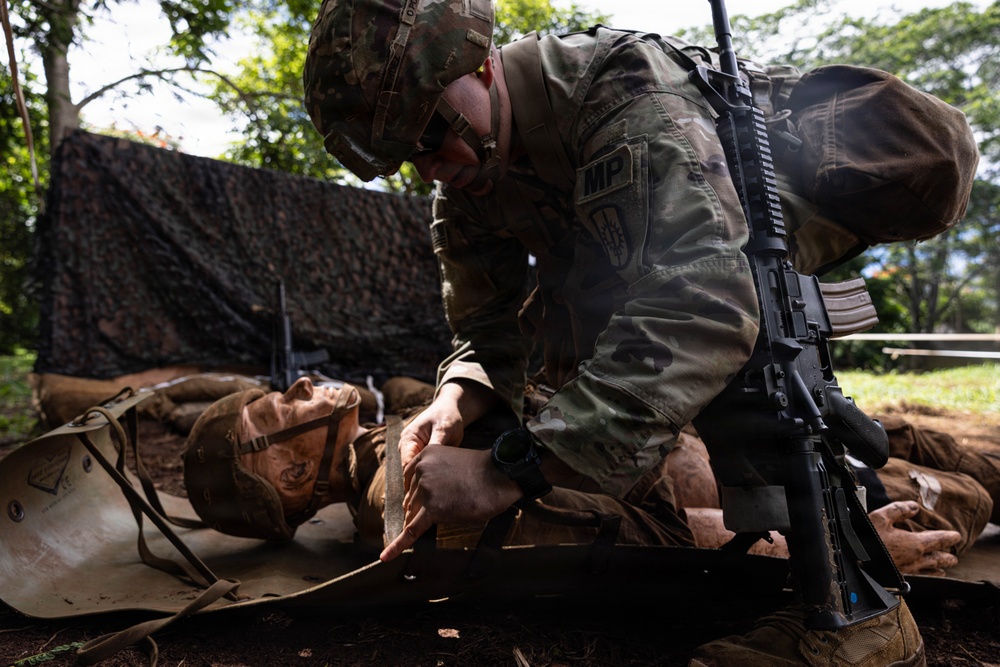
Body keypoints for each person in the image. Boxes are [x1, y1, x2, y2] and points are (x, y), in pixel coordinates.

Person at [300, 1, 971, 663]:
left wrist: (510, 472)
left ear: (478, 68)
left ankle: (862, 617)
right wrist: (456, 397)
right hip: (680, 271)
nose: (431, 170)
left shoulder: (627, 98)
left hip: (750, 241)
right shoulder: (472, 182)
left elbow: (704, 303)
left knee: (739, 327)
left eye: (427, 137)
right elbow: (486, 328)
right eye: (405, 160)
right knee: (556, 356)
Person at [183, 377, 995, 578]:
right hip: (798, 484)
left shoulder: (407, 432)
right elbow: (635, 541)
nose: (297, 390)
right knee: (969, 491)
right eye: (273, 413)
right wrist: (831, 547)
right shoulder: (411, 498)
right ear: (289, 471)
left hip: (740, 426)